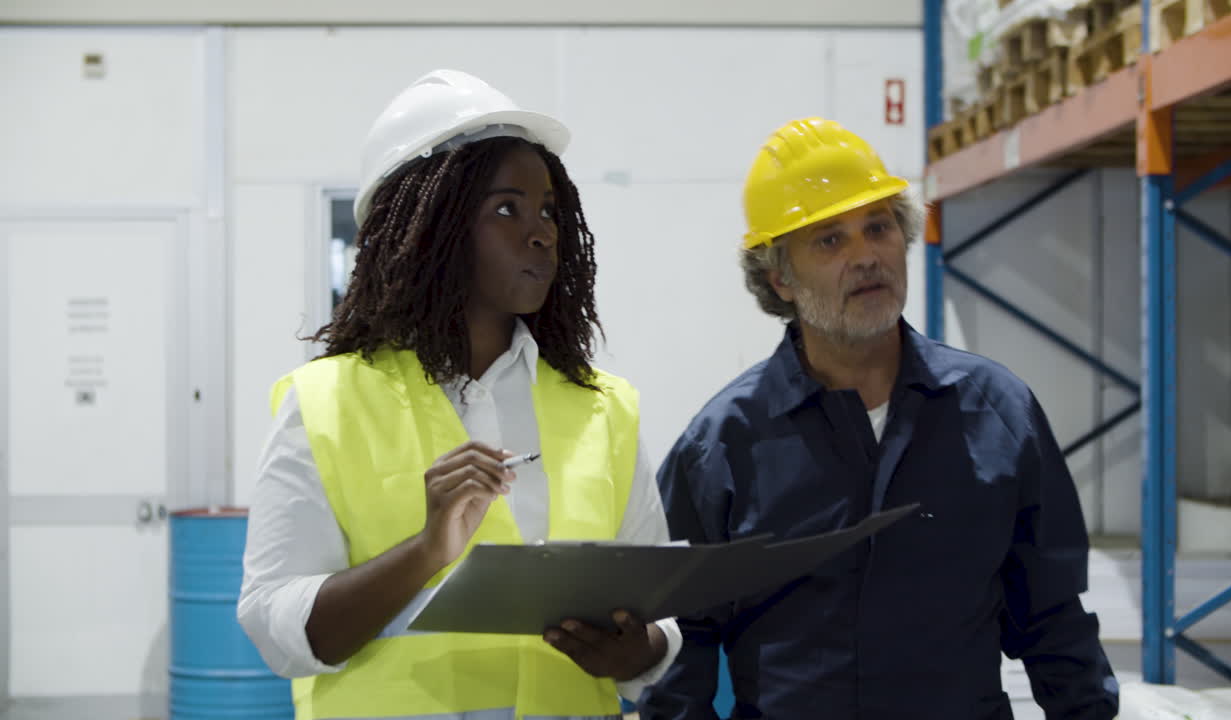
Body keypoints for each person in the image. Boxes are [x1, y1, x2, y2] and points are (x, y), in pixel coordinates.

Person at [638, 117, 1119, 719]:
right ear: (778, 277)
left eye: (879, 227)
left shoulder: (997, 412)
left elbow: (1053, 621)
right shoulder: (724, 445)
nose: (867, 256)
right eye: (830, 240)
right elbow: (678, 650)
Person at [237, 69, 681, 720]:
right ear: (427, 228)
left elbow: (657, 613)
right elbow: (277, 629)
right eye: (507, 208)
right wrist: (424, 553)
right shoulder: (326, 404)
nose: (542, 232)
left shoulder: (603, 410)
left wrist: (634, 653)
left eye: (548, 211)